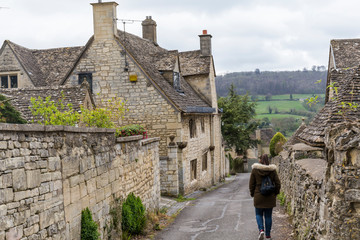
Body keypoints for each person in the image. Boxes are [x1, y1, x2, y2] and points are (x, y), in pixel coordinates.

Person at [249, 154, 281, 240]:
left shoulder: (255, 170)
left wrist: (253, 194)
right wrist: (276, 193)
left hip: (258, 195)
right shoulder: (272, 170)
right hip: (270, 196)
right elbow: (278, 183)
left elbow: (251, 184)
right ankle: (268, 235)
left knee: (258, 214)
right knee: (268, 216)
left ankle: (261, 230)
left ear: (260, 160)